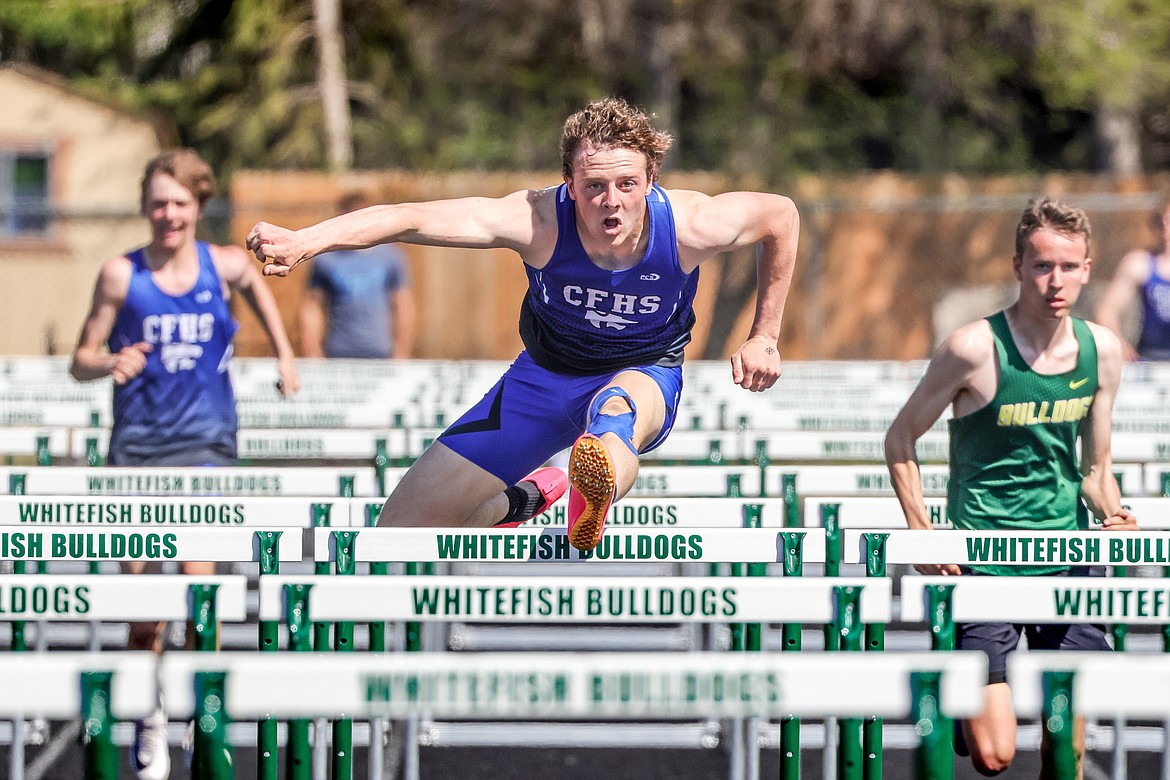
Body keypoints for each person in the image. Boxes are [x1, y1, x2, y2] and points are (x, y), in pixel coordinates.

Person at [248, 96, 798, 551]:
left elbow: (781, 216)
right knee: (399, 534)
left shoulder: (689, 225)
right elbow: (410, 217)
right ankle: (530, 497)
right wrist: (306, 240)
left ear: (652, 178)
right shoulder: (536, 220)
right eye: (594, 187)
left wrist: (764, 334)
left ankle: (592, 488)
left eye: (628, 185)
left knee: (613, 418)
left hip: (639, 371)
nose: (612, 204)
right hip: (539, 381)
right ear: (567, 182)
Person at [884, 197, 1139, 778]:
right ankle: (966, 706)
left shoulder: (1099, 350)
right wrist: (922, 534)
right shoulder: (973, 349)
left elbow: (1096, 471)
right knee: (995, 755)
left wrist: (1117, 514)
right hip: (986, 560)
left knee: (1064, 747)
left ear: (1088, 269)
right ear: (1018, 266)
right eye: (1043, 265)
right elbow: (900, 438)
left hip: (1068, 558)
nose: (1056, 281)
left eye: (1069, 267)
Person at [69, 148, 300, 780]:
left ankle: (207, 723)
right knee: (145, 611)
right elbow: (79, 357)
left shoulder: (222, 266)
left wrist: (284, 356)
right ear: (145, 207)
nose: (167, 214)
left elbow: (258, 285)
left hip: (207, 447)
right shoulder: (121, 275)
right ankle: (150, 720)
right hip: (139, 451)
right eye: (158, 203)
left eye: (179, 203)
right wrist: (108, 363)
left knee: (203, 597)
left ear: (198, 207)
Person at [299, 189, 417, 359]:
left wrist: (402, 352)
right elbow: (312, 306)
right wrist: (312, 350)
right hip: (337, 353)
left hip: (381, 353)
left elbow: (403, 305)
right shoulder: (326, 259)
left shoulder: (391, 256)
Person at [1094, 196, 1170, 360]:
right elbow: (1105, 311)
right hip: (1151, 360)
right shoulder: (1140, 263)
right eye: (1162, 221)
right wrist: (1120, 344)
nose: (1165, 227)